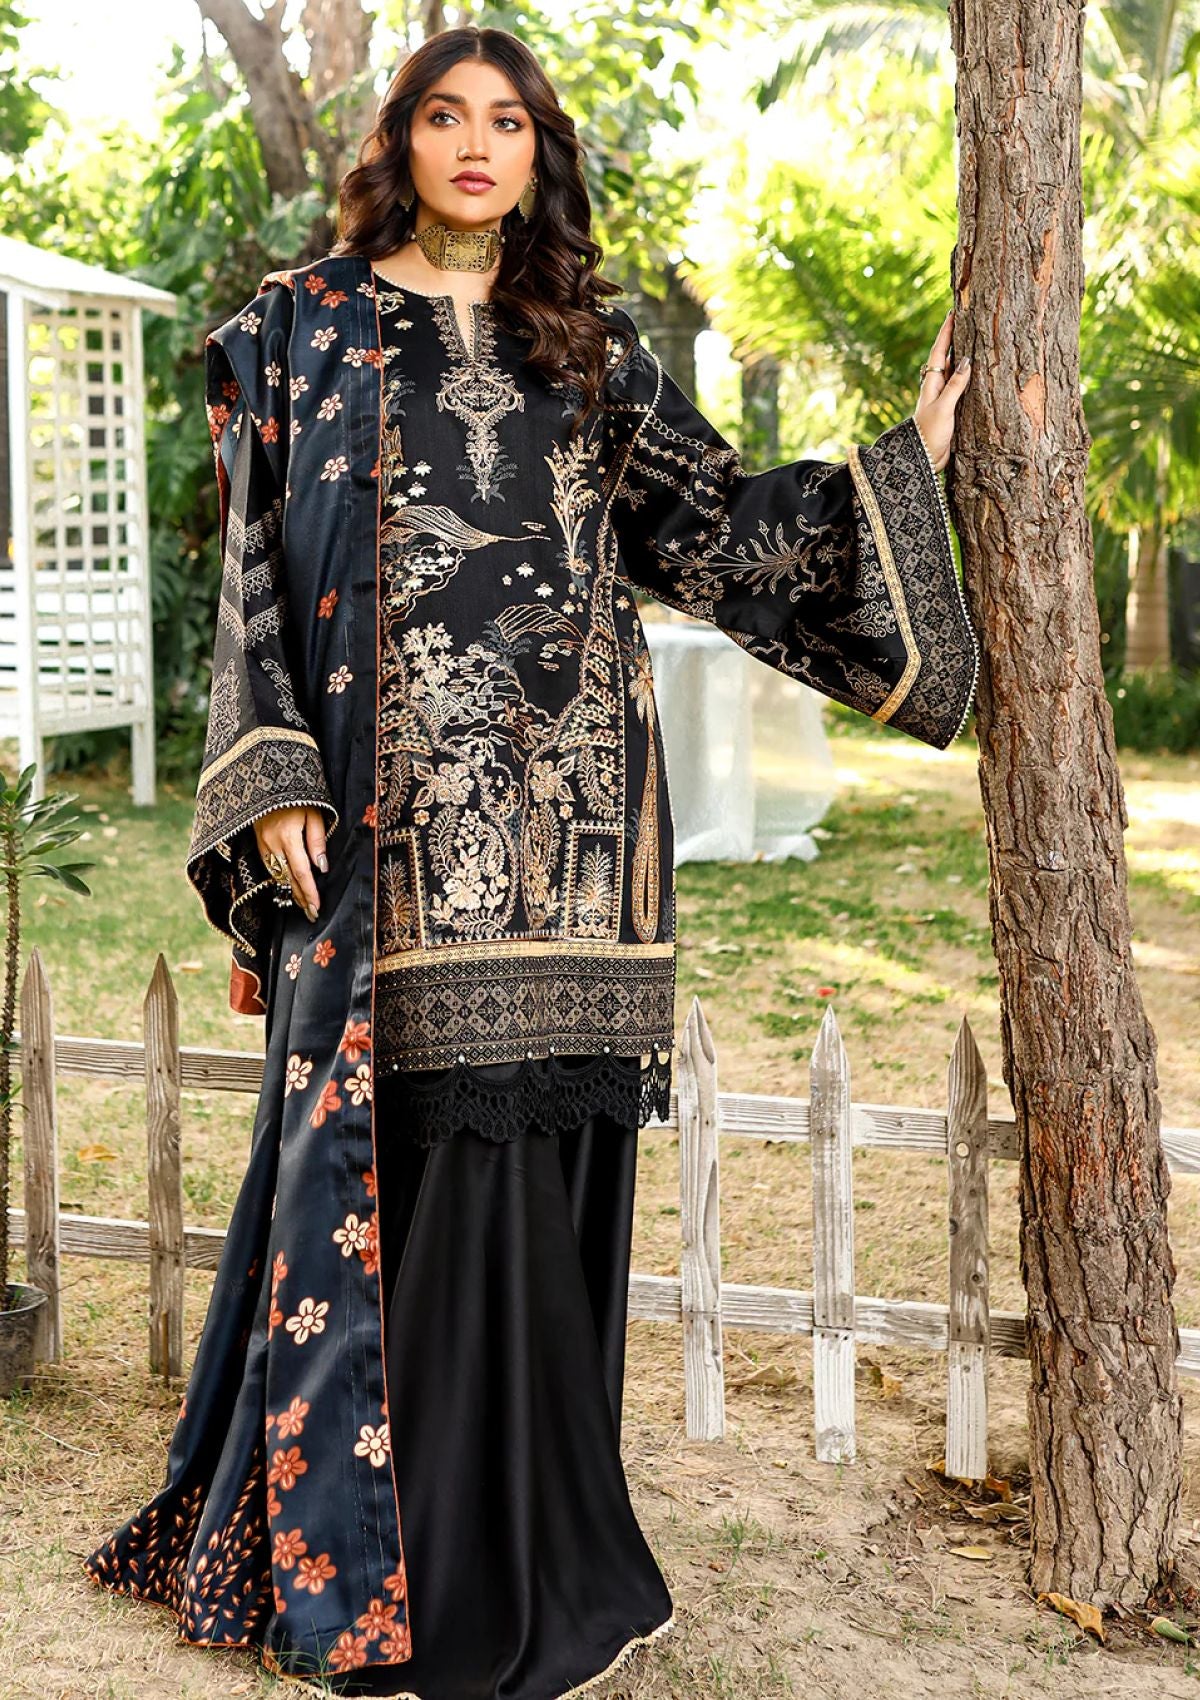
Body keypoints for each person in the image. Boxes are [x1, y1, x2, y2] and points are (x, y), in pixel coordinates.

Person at [81, 22, 978, 1699]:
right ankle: (385, 1559)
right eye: (447, 116)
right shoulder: (300, 327)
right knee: (396, 1162)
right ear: (401, 141)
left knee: (536, 1166)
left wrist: (897, 470)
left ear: (539, 154)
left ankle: (538, 1535)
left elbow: (716, 531)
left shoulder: (589, 344)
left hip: (573, 834)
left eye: (508, 120)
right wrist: (270, 772)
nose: (478, 144)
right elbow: (254, 569)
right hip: (388, 829)